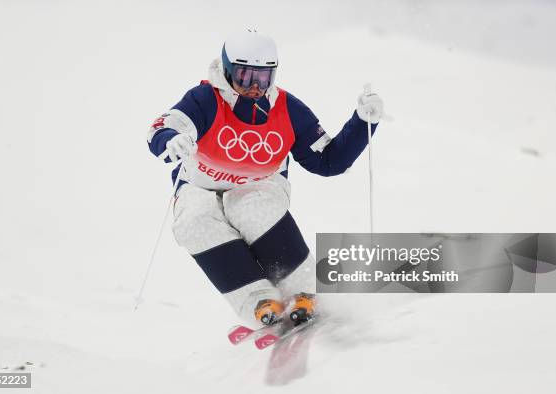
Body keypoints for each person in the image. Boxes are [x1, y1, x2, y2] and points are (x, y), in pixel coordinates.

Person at [147, 29, 383, 326]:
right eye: (245, 77)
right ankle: (257, 299)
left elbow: (328, 161)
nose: (255, 87)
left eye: (263, 78)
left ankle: (303, 290)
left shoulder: (287, 108)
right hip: (198, 185)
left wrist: (363, 123)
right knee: (194, 221)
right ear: (227, 69)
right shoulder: (206, 98)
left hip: (259, 184)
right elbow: (166, 123)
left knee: (250, 208)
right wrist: (170, 139)